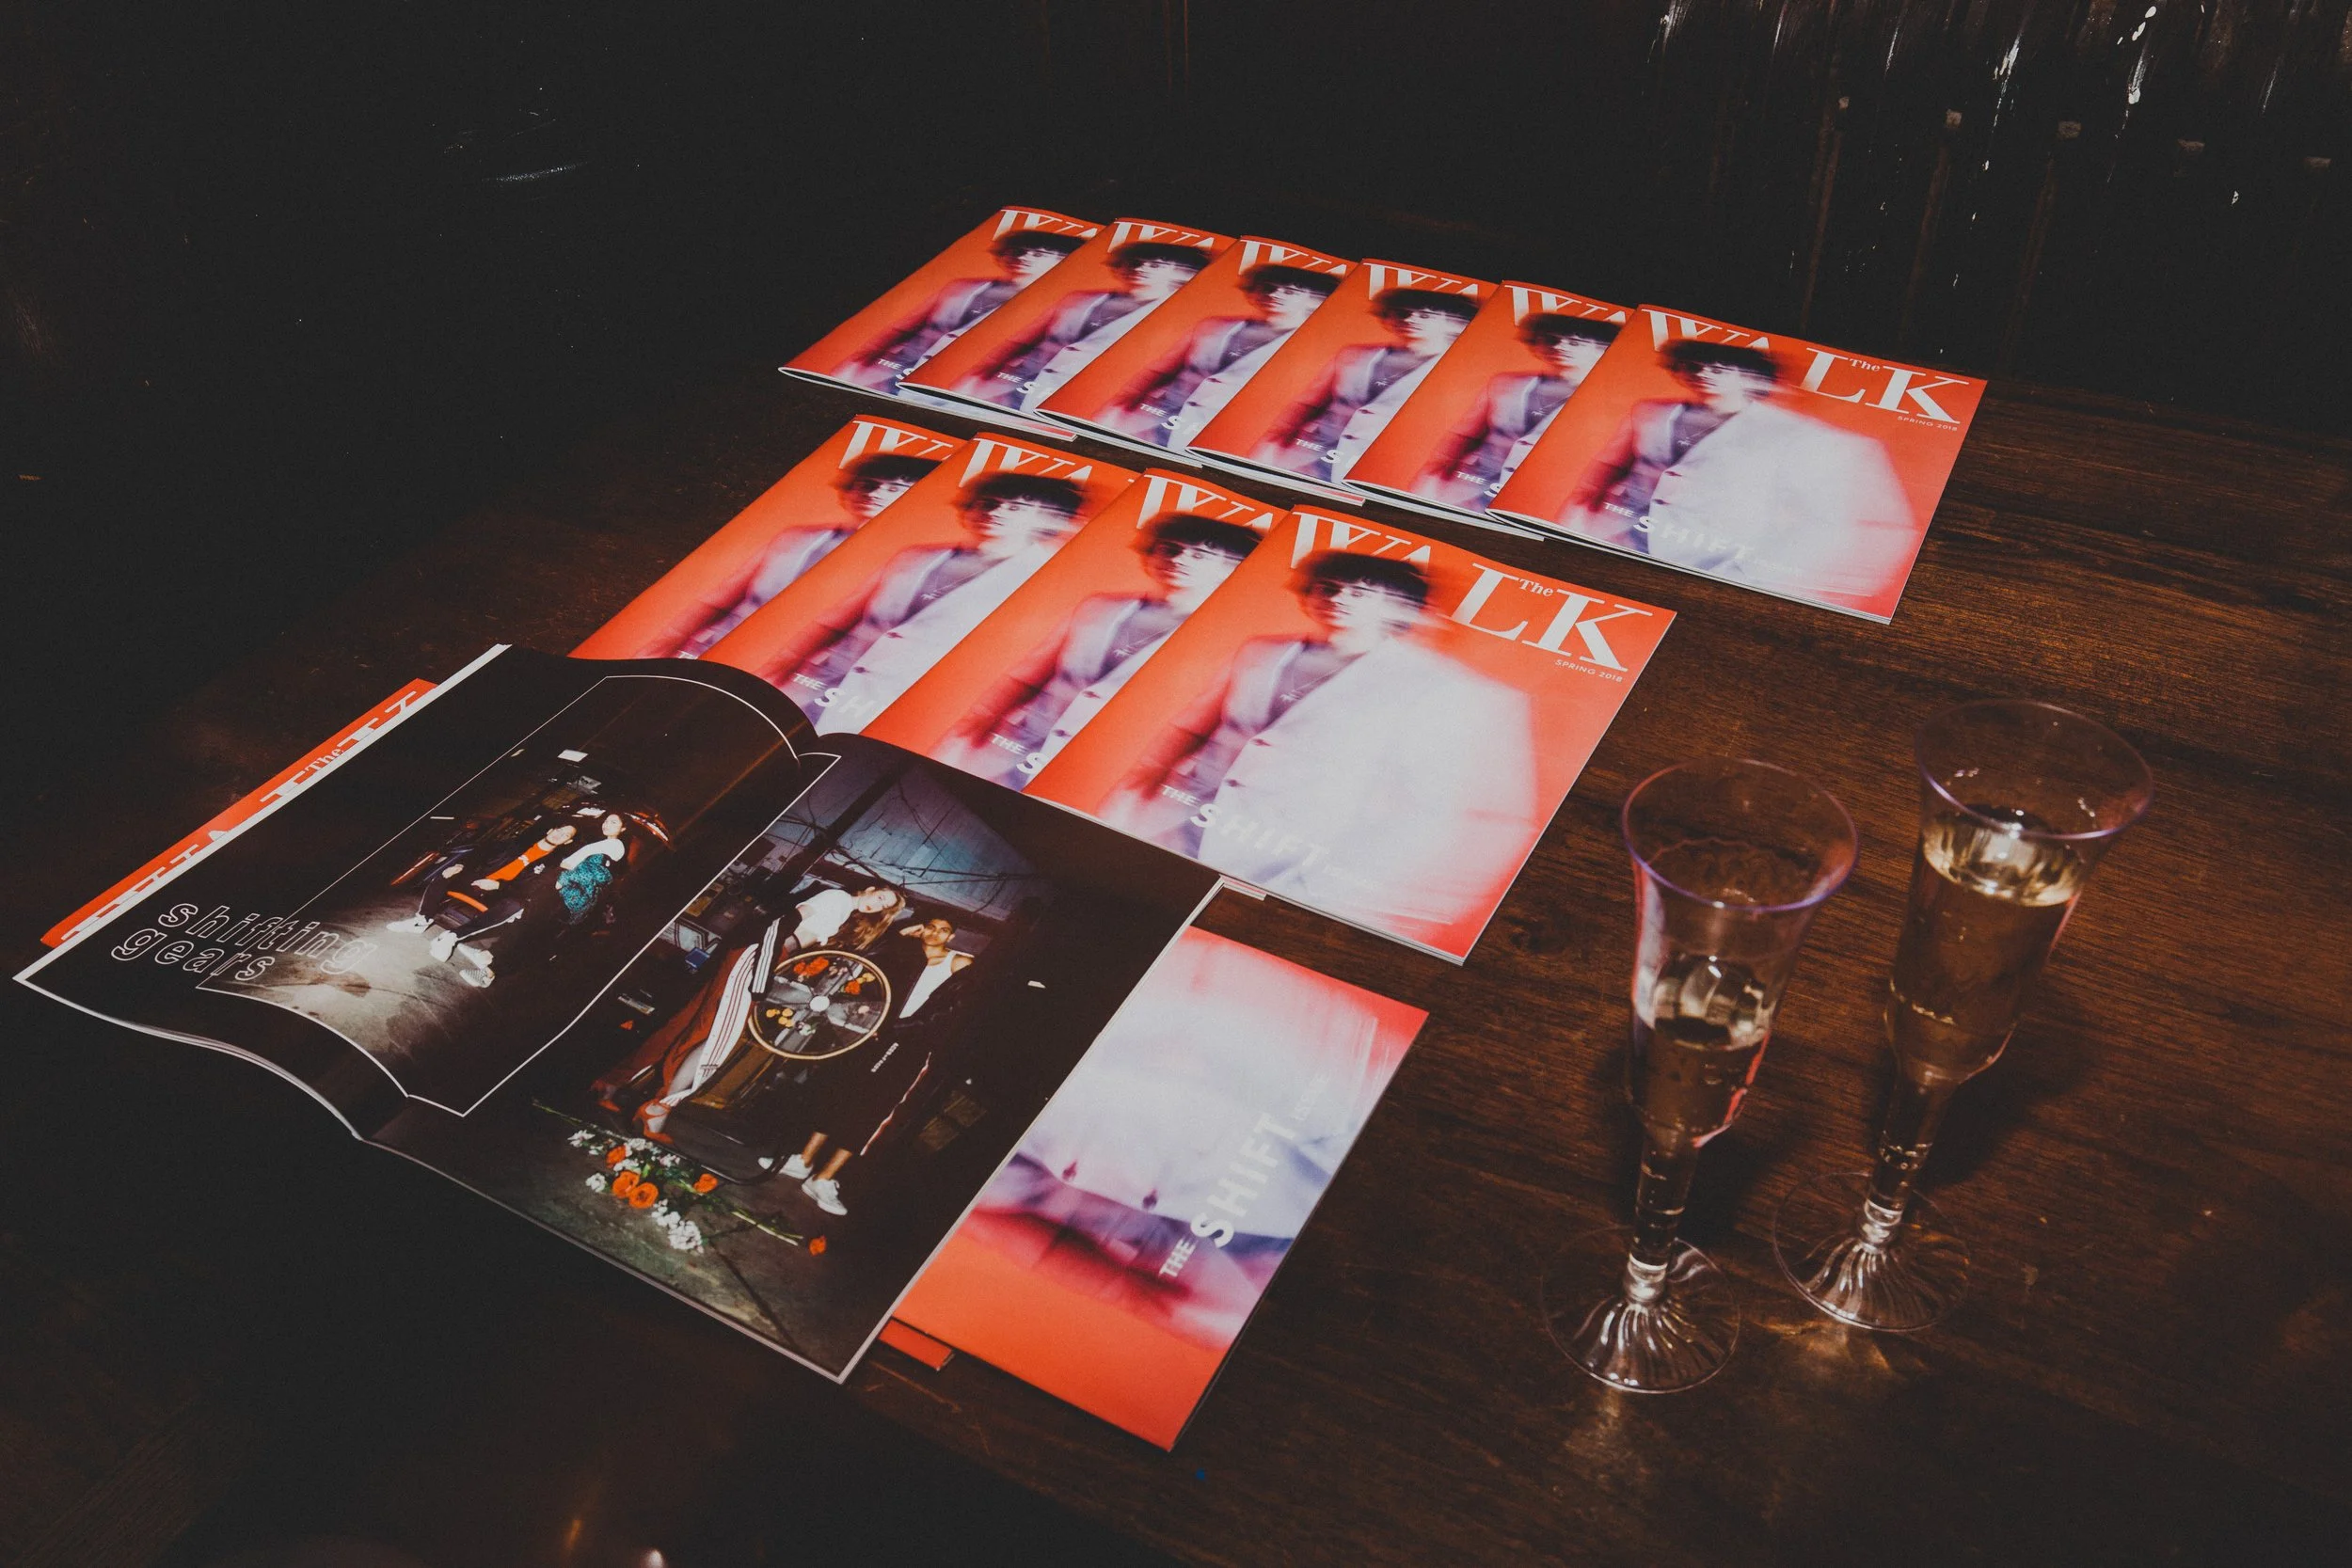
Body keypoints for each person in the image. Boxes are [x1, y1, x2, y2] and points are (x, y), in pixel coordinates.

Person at [1101, 551, 1540, 942]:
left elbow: (1431, 812)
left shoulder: (1439, 687)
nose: (1339, 599)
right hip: (1171, 824)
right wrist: (1133, 795)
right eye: (1328, 588)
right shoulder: (1263, 652)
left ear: (1401, 607)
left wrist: (1322, 890)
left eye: (1363, 593)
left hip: (1281, 858)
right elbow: (1193, 727)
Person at [1558, 339, 1916, 610]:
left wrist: (1748, 577)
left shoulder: (1799, 436)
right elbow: (1613, 465)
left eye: (1719, 369)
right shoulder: (1651, 411)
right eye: (1691, 366)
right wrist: (1578, 518)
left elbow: (1839, 525)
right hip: (1612, 543)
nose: (1702, 376)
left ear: (1751, 377)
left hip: (1704, 565)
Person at [940, 513, 1262, 789]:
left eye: (1200, 556)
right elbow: (1032, 671)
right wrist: (977, 723)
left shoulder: (1236, 646)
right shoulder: (1103, 608)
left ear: (1231, 569)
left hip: (1102, 763)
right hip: (1011, 737)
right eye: (1169, 550)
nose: (1178, 561)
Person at [773, 472, 1088, 734]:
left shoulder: (1041, 581)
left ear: (1045, 519)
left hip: (911, 701)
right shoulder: (919, 557)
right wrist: (794, 660)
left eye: (1016, 508)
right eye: (987, 504)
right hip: (828, 678)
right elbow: (846, 616)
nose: (995, 513)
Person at [650, 452, 942, 659]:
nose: (875, 493)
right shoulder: (798, 538)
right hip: (720, 648)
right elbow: (723, 597)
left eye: (894, 488)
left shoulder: (920, 564)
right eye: (866, 484)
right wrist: (674, 639)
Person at [780, 915, 977, 1217]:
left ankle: (824, 1178)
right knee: (840, 1091)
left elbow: (949, 1013)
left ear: (950, 937)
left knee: (871, 1109)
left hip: (910, 1046)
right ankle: (802, 1161)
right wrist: (901, 933)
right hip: (872, 1033)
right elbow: (873, 967)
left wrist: (900, 1029)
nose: (935, 933)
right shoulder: (905, 952)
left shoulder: (959, 963)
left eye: (943, 930)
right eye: (931, 925)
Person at [1098, 264, 1341, 449]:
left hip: (1229, 435)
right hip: (1152, 421)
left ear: (1314, 299)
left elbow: (1311, 404)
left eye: (1290, 291)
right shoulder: (1214, 326)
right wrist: (1125, 403)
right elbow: (1162, 369)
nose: (1275, 295)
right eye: (1266, 288)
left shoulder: (1317, 348)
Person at [1252, 287, 1479, 483]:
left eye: (1426, 316)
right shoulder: (1355, 355)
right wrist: (1276, 440)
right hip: (1305, 455)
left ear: (1451, 322)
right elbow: (1309, 403)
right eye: (1401, 313)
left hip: (1379, 466)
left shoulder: (1458, 373)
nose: (1409, 320)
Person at [955, 241, 1211, 413]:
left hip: (1099, 404)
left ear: (1183, 273)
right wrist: (982, 375)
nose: (1139, 269)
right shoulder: (1083, 300)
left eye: (1155, 265)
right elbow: (1021, 342)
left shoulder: (1188, 322)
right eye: (1132, 263)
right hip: (1015, 389)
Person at [834, 229, 1088, 394]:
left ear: (1064, 261)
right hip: (902, 376)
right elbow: (904, 328)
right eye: (1018, 251)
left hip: (1001, 389)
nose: (1024, 257)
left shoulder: (1078, 307)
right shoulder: (965, 288)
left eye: (1040, 253)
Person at [1413, 314, 1618, 509]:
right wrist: (1435, 472)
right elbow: (1465, 433)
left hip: (1535, 496)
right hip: (1466, 483)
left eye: (1575, 343)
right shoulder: (1506, 383)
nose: (1559, 347)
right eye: (1548, 340)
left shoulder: (1608, 404)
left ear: (1603, 350)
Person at [383, 819, 581, 990]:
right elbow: (482, 851)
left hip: (499, 892)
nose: (559, 835)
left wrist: (498, 885)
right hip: (478, 879)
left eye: (565, 835)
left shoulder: (551, 865)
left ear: (567, 841)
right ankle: (421, 920)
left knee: (515, 905)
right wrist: (462, 865)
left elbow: (527, 889)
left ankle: (451, 937)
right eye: (559, 830)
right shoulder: (518, 843)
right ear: (550, 830)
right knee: (448, 872)